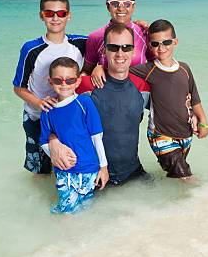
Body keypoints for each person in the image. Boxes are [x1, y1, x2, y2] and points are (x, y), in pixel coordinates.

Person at [50, 23, 151, 185]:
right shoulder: (83, 86)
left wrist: (193, 111)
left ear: (134, 51)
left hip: (134, 173)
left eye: (126, 47)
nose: (120, 53)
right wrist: (53, 142)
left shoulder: (143, 87)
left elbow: (168, 113)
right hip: (93, 175)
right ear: (103, 51)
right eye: (113, 47)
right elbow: (53, 118)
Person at [12, 0, 86, 175]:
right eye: (49, 13)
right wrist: (39, 103)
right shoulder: (31, 49)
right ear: (41, 15)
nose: (55, 18)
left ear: (69, 16)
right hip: (36, 117)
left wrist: (142, 27)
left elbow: (110, 42)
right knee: (40, 171)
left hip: (67, 118)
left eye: (61, 13)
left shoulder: (80, 43)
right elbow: (18, 87)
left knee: (70, 165)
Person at [130, 19, 208, 179]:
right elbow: (120, 67)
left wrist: (203, 122)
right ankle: (205, 200)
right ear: (150, 45)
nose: (161, 48)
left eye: (166, 42)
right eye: (155, 44)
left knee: (178, 173)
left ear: (175, 42)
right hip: (160, 134)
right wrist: (98, 69)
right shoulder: (148, 70)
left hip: (185, 133)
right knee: (185, 176)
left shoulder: (184, 69)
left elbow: (194, 98)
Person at [39, 57, 108, 213]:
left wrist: (103, 167)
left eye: (69, 80)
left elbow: (96, 136)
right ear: (50, 82)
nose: (64, 84)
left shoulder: (85, 103)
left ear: (77, 82)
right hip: (65, 172)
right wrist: (57, 156)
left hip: (89, 169)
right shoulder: (47, 111)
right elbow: (43, 141)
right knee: (66, 210)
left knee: (85, 207)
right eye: (58, 80)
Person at [82, 0, 154, 88]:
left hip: (140, 94)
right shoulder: (95, 37)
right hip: (107, 97)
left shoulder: (144, 33)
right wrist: (97, 69)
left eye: (127, 4)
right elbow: (86, 71)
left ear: (133, 7)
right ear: (108, 6)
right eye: (115, 4)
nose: (121, 8)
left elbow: (157, 66)